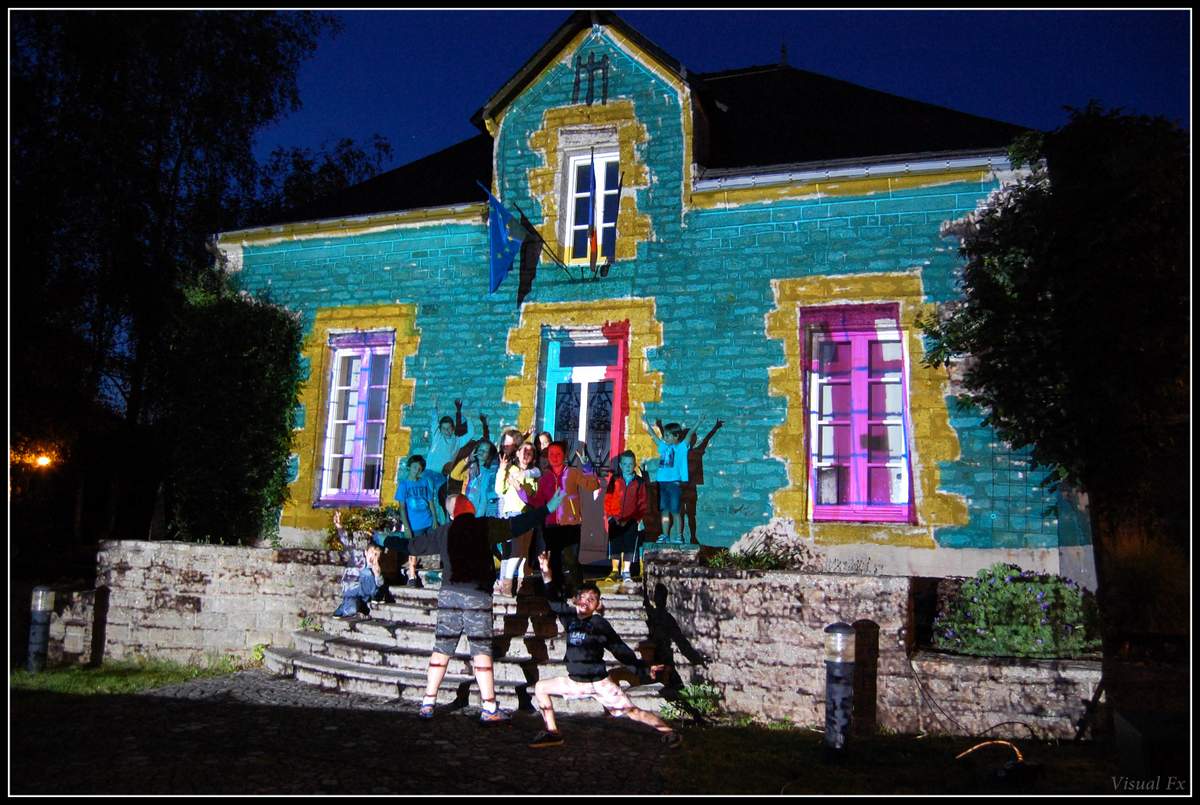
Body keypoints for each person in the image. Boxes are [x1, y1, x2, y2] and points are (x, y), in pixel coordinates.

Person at [400, 488, 567, 724]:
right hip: (476, 595)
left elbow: (414, 546)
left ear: (451, 514)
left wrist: (384, 540)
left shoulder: (444, 531)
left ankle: (428, 702)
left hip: (449, 594)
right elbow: (517, 525)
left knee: (442, 646)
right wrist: (547, 509)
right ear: (469, 507)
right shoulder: (484, 526)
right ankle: (488, 707)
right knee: (480, 649)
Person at [529, 582, 681, 749]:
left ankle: (669, 732)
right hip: (575, 682)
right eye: (583, 597)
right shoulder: (571, 619)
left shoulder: (599, 623)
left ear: (597, 605)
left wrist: (643, 668)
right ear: (576, 600)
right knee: (541, 687)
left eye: (592, 599)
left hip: (599, 683)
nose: (586, 602)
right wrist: (546, 576)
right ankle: (553, 733)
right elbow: (554, 602)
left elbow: (619, 649)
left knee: (632, 711)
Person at [530, 441, 600, 599]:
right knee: (553, 560)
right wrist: (523, 492)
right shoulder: (544, 478)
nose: (554, 457)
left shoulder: (573, 473)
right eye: (551, 454)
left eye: (558, 454)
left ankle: (577, 592)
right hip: (551, 526)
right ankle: (556, 592)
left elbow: (593, 485)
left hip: (570, 524)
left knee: (571, 560)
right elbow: (538, 502)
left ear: (565, 455)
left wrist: (587, 466)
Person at [495, 438, 542, 593]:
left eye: (530, 452)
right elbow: (499, 489)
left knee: (524, 552)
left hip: (529, 515)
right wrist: (502, 469)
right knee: (514, 551)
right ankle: (506, 585)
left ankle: (522, 586)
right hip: (514, 514)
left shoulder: (534, 473)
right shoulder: (510, 469)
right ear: (517, 453)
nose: (526, 454)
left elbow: (533, 495)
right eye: (524, 451)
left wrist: (523, 484)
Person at [643, 415, 698, 542]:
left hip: (674, 484)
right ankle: (665, 535)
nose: (664, 437)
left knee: (676, 511)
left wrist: (698, 422)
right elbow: (654, 436)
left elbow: (690, 434)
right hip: (662, 483)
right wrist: (648, 423)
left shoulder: (681, 448)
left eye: (667, 436)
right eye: (665, 435)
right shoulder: (663, 446)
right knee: (664, 510)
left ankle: (679, 536)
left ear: (676, 436)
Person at [602, 450, 648, 591]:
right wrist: (609, 515)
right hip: (615, 518)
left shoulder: (639, 482)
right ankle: (615, 570)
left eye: (630, 464)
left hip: (631, 519)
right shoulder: (615, 479)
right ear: (621, 465)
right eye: (625, 464)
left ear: (634, 465)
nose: (628, 467)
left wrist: (638, 518)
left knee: (629, 545)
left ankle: (626, 571)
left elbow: (642, 502)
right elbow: (608, 497)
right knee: (615, 544)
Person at [395, 454, 439, 587]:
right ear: (409, 467)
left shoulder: (424, 482)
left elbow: (430, 502)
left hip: (428, 520)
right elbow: (402, 508)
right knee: (413, 549)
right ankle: (412, 574)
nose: (417, 470)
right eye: (415, 467)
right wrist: (407, 527)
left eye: (419, 469)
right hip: (415, 524)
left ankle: (435, 572)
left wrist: (435, 519)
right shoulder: (404, 485)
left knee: (437, 543)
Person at [678, 419, 724, 545]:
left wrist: (715, 427)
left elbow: (706, 440)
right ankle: (681, 536)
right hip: (681, 488)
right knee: (682, 514)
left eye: (693, 438)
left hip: (690, 488)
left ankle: (692, 537)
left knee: (690, 515)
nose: (692, 440)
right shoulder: (680, 453)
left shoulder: (695, 452)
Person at [333, 541, 385, 618]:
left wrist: (377, 574)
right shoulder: (357, 564)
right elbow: (347, 587)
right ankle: (344, 607)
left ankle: (361, 606)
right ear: (366, 553)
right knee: (352, 609)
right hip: (354, 594)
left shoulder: (377, 567)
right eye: (371, 552)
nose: (373, 556)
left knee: (372, 578)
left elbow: (380, 585)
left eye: (376, 554)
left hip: (367, 596)